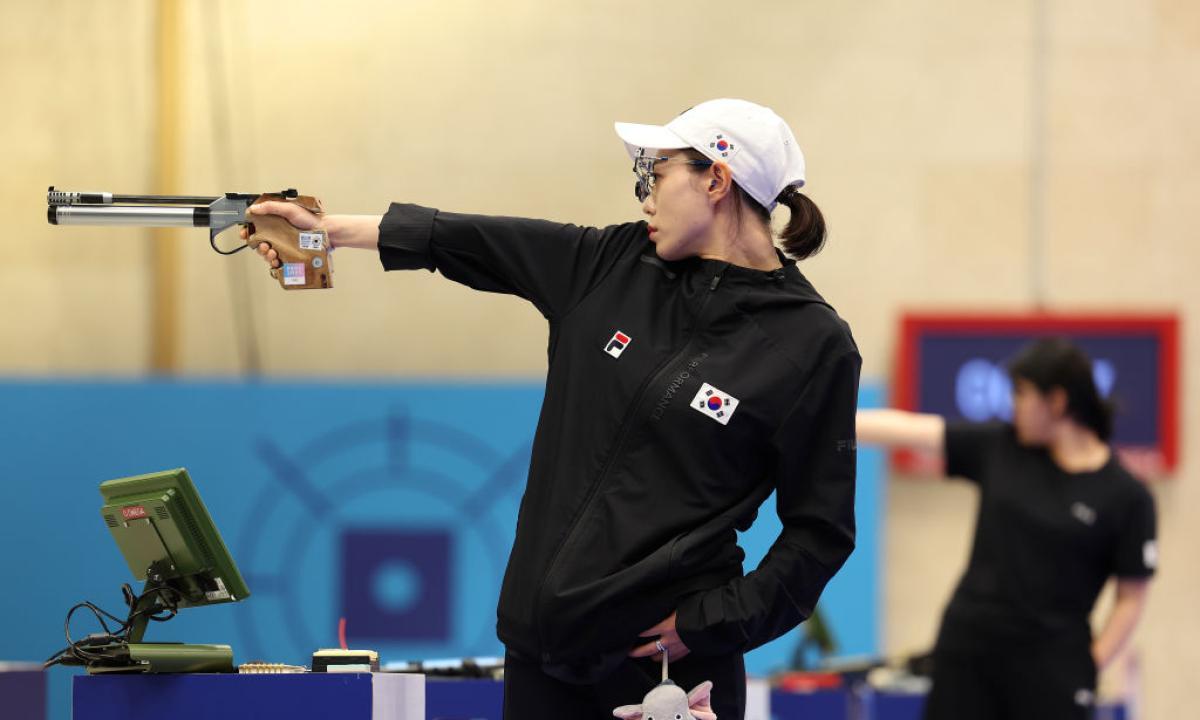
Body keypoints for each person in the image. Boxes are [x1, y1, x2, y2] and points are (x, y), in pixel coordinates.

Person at [247, 98, 860, 719]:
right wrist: (318, 232)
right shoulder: (611, 264)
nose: (645, 198)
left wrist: (710, 625)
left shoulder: (812, 345)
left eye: (658, 174)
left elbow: (820, 533)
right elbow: (462, 239)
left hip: (670, 677)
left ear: (717, 180)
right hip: (540, 659)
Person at [857, 338, 1157, 720]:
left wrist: (1089, 664)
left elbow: (1132, 596)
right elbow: (913, 429)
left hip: (1053, 667)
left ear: (1057, 402)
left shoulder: (1127, 496)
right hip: (969, 654)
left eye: (1020, 393)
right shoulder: (1002, 448)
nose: (1012, 405)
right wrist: (828, 420)